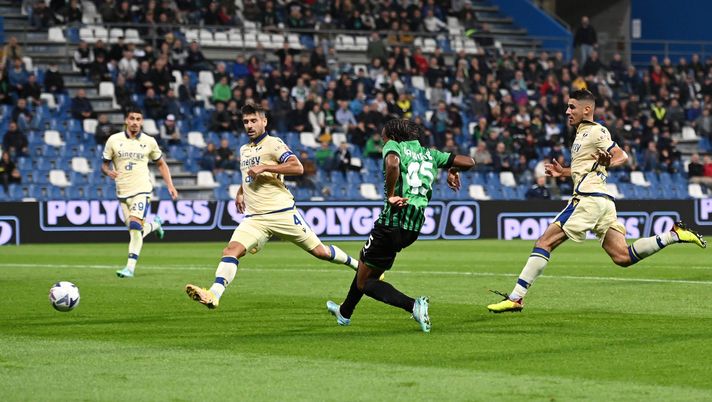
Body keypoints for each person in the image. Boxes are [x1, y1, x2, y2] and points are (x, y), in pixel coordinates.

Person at [487, 90, 707, 313]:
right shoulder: (581, 134)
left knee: (544, 242)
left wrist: (609, 161)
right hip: (603, 201)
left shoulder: (596, 131)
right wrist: (562, 171)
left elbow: (621, 156)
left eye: (572, 107)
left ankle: (516, 297)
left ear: (587, 109)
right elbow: (586, 168)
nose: (567, 111)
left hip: (587, 199)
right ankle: (673, 235)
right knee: (622, 257)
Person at [185, 103, 360, 309]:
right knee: (231, 251)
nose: (249, 125)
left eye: (253, 121)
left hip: (282, 213)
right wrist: (241, 192)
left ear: (264, 121)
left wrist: (266, 166)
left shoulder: (274, 144)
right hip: (255, 218)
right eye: (245, 122)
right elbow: (248, 175)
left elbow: (298, 167)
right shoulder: (244, 149)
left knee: (320, 252)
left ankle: (358, 266)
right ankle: (213, 294)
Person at [326, 119, 476, 333]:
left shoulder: (394, 146)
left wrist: (390, 195)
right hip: (413, 227)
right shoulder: (431, 154)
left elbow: (393, 163)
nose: (382, 140)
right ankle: (345, 312)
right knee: (368, 265)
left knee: (365, 283)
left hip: (392, 220)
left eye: (383, 136)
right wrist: (453, 169)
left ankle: (413, 305)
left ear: (393, 136)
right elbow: (468, 161)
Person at [101, 107, 179, 278]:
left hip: (142, 189)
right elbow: (104, 165)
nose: (135, 122)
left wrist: (170, 185)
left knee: (136, 226)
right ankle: (156, 224)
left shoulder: (149, 142)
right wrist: (108, 172)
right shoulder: (113, 140)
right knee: (135, 231)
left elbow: (161, 164)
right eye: (132, 118)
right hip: (122, 193)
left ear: (141, 121)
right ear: (126, 120)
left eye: (138, 119)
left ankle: (130, 268)